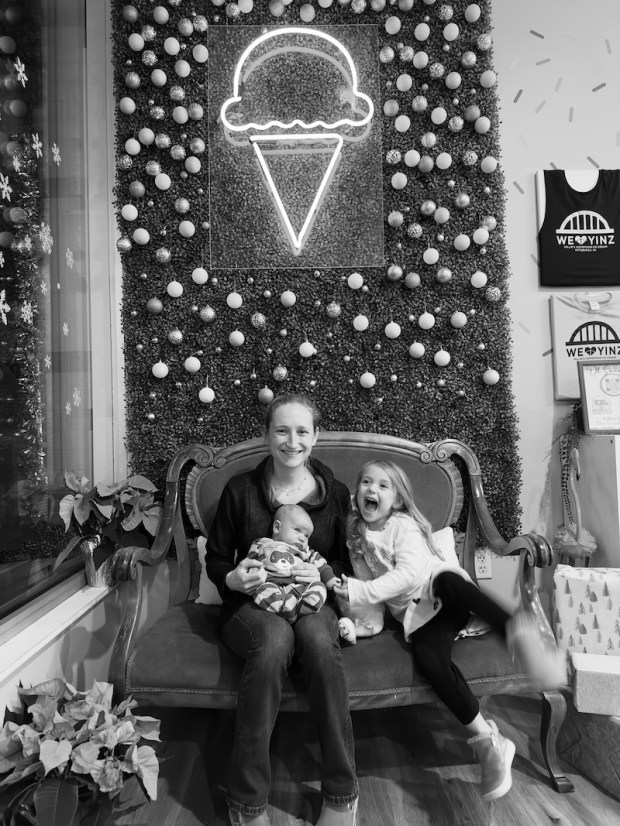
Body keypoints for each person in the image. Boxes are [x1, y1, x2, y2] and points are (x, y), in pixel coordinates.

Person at [334, 459, 563, 803]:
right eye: (366, 482)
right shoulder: (357, 538)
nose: (371, 489)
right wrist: (361, 624)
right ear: (357, 493)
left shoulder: (403, 525)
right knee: (429, 660)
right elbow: (373, 596)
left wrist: (356, 591)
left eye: (383, 485)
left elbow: (410, 575)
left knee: (447, 579)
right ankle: (489, 741)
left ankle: (520, 634)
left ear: (397, 500)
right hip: (418, 615)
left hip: (441, 590)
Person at [206, 393, 358, 826]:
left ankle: (342, 794)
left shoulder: (337, 495)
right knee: (274, 639)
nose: (292, 441)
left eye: (302, 431)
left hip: (311, 600)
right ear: (267, 435)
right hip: (250, 606)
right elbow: (216, 557)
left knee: (314, 638)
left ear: (316, 437)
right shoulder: (240, 490)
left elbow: (344, 561)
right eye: (281, 431)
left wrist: (322, 579)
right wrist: (232, 578)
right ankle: (247, 802)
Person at [248, 504, 340, 623]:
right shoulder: (262, 544)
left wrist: (329, 578)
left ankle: (305, 605)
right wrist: (251, 573)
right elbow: (249, 560)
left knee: (319, 587)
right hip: (271, 585)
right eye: (297, 530)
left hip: (298, 587)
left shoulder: (305, 552)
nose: (303, 539)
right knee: (261, 590)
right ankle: (286, 608)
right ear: (277, 527)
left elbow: (320, 563)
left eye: (306, 536)